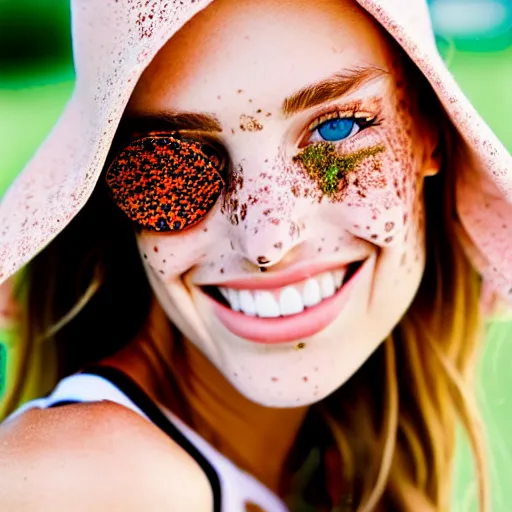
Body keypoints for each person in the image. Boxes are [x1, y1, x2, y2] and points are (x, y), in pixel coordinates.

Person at [0, 0, 511, 510]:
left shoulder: (330, 472)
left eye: (337, 128)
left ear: (428, 130)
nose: (267, 242)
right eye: (176, 162)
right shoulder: (93, 479)